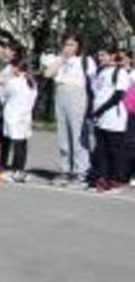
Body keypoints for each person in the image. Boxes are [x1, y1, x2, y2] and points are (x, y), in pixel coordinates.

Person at [43, 35, 95, 187]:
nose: (68, 47)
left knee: (78, 134)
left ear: (79, 46)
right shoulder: (60, 59)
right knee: (63, 134)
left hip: (77, 94)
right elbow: (47, 74)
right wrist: (62, 58)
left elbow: (93, 81)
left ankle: (81, 172)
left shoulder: (86, 61)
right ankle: (66, 170)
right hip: (61, 93)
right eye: (66, 44)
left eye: (72, 44)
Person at [87, 48, 130, 192]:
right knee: (101, 149)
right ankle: (103, 178)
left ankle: (116, 180)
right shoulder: (100, 72)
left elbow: (118, 96)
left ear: (112, 56)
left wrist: (100, 110)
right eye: (99, 54)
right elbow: (96, 93)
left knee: (115, 149)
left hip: (114, 117)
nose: (100, 57)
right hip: (100, 118)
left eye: (103, 55)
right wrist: (94, 111)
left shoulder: (120, 72)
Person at [0, 48, 37, 183]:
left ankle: (16, 171)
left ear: (16, 68)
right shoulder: (31, 82)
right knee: (23, 143)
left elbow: (2, 96)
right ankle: (21, 170)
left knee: (17, 143)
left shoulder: (13, 82)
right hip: (25, 115)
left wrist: (1, 82)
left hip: (13, 115)